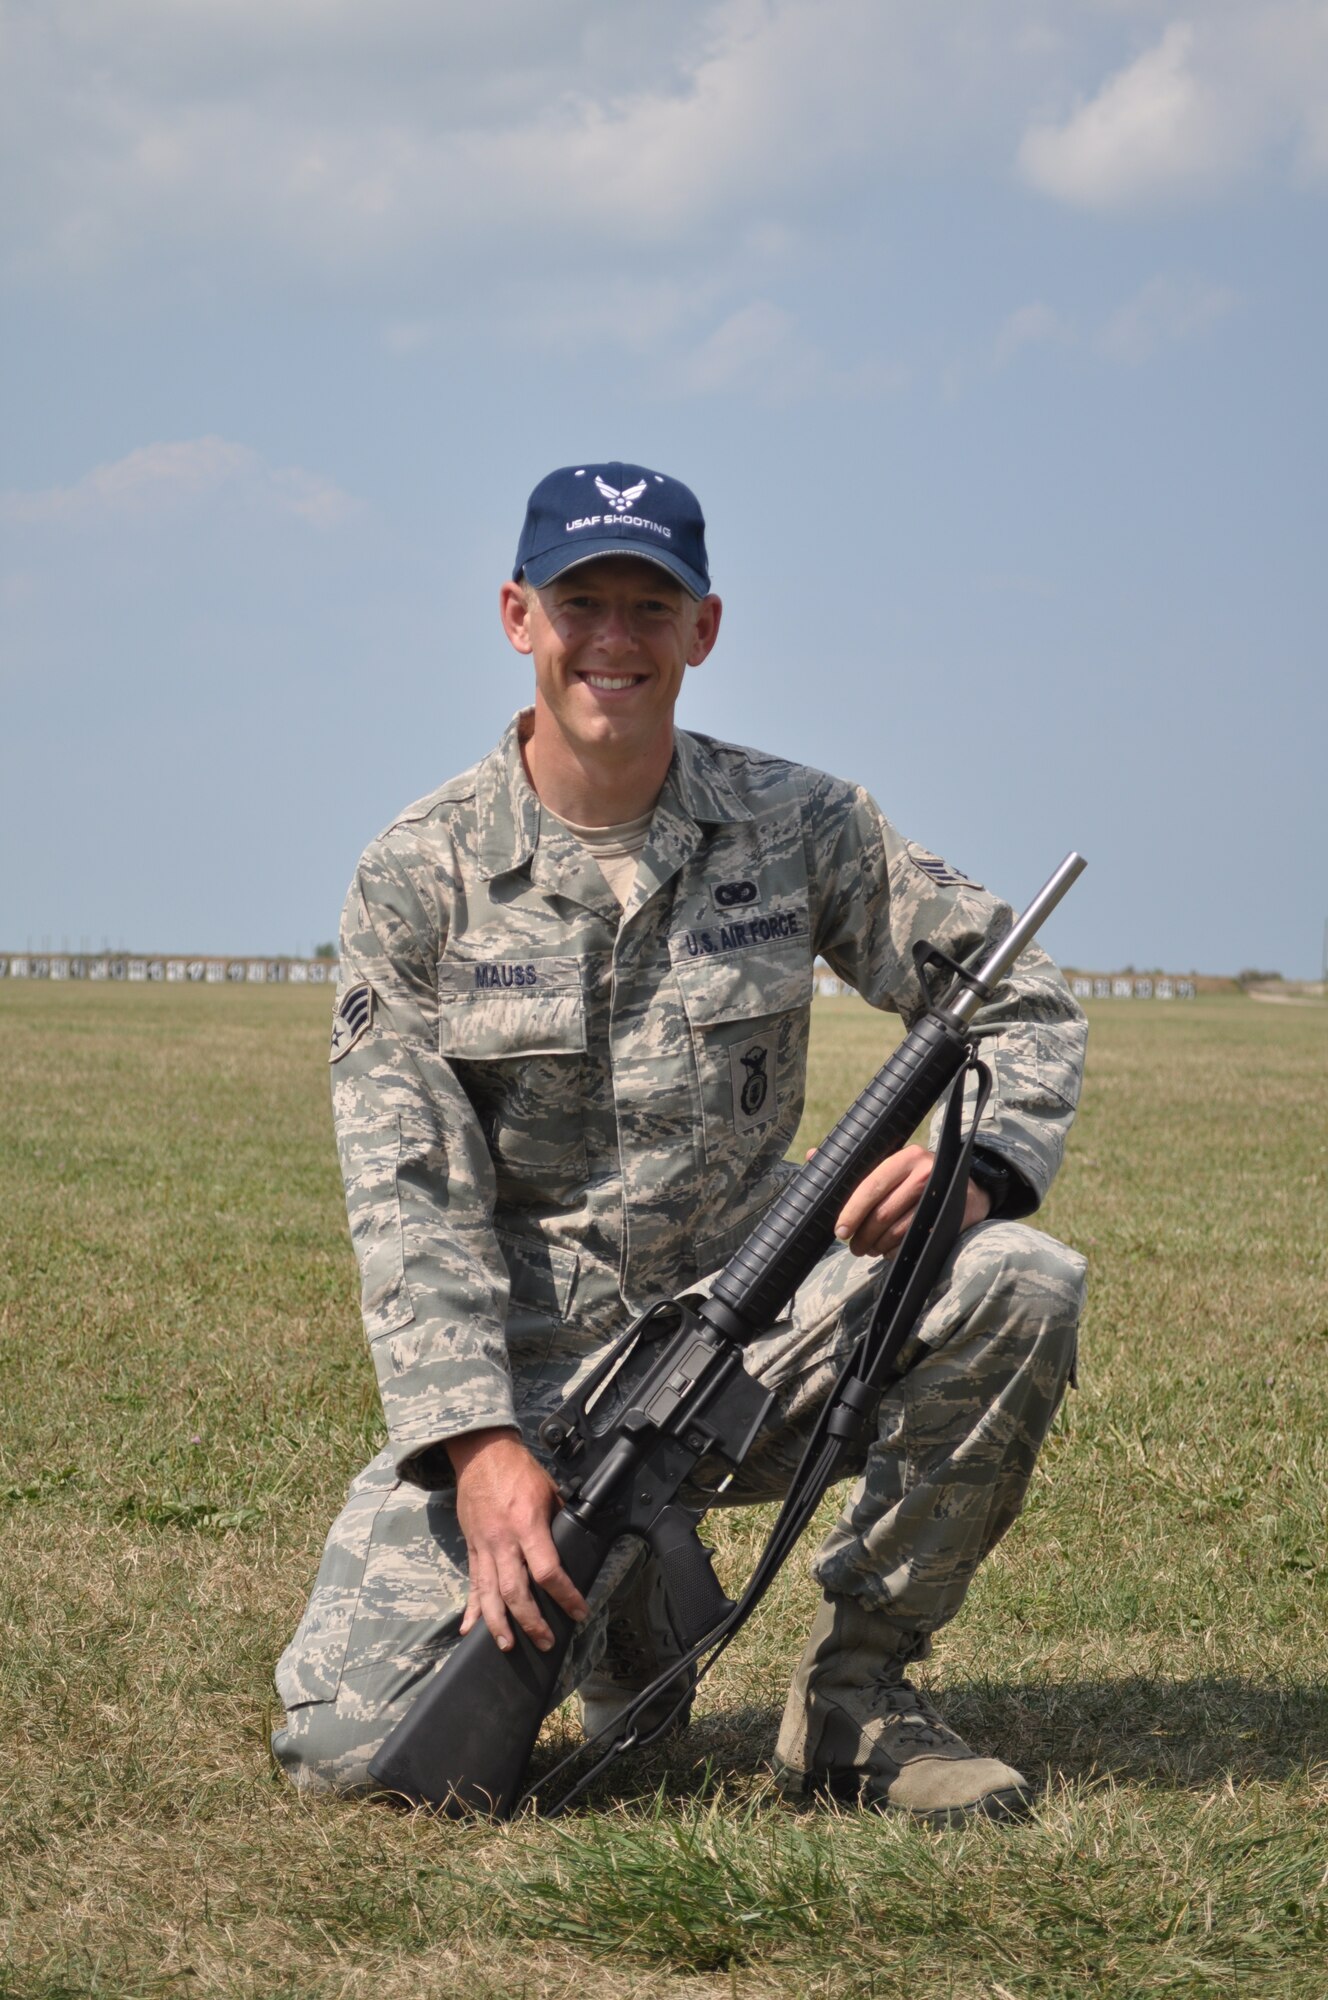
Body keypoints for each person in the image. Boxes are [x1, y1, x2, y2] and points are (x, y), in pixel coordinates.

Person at [273, 461, 1087, 1823]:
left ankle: (857, 1699)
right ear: (517, 615)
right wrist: (478, 1450)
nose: (615, 638)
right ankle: (630, 1605)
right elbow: (409, 1191)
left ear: (703, 629)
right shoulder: (418, 872)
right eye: (581, 601)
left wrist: (981, 1171)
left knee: (1022, 1279)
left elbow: (1019, 994)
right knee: (356, 1755)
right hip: (538, 1390)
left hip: (761, 1323)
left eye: (652, 606)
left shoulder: (804, 824)